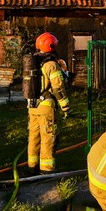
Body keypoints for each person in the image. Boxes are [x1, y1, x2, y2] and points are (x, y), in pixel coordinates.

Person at [27, 32, 70, 174]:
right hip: (46, 106)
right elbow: (58, 88)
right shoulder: (51, 65)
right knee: (47, 137)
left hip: (32, 106)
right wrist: (65, 106)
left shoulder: (33, 62)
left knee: (33, 137)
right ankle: (46, 170)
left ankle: (32, 167)